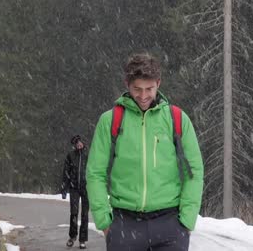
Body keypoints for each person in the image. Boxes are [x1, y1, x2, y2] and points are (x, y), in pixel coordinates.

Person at [86, 52, 204, 251]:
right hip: (124, 224)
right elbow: (94, 173)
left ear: (159, 83)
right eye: (137, 89)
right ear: (127, 84)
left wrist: (186, 221)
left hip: (170, 226)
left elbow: (194, 171)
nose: (143, 96)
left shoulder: (177, 119)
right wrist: (105, 223)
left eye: (149, 89)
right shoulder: (110, 121)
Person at [61, 134, 89, 249]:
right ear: (74, 145)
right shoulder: (70, 156)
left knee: (85, 214)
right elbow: (66, 172)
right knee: (74, 213)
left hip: (87, 188)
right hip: (74, 188)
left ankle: (82, 240)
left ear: (82, 142)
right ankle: (72, 237)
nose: (79, 144)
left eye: (80, 142)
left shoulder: (88, 155)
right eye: (76, 143)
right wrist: (64, 188)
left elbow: (95, 170)